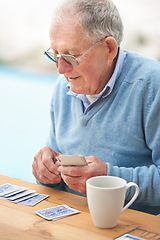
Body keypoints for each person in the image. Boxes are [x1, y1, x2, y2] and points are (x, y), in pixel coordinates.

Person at [32, 0, 160, 215]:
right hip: (73, 222)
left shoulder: (152, 86)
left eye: (71, 56)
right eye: (55, 54)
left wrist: (110, 179)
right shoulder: (63, 86)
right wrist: (46, 172)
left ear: (109, 48)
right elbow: (56, 171)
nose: (61, 68)